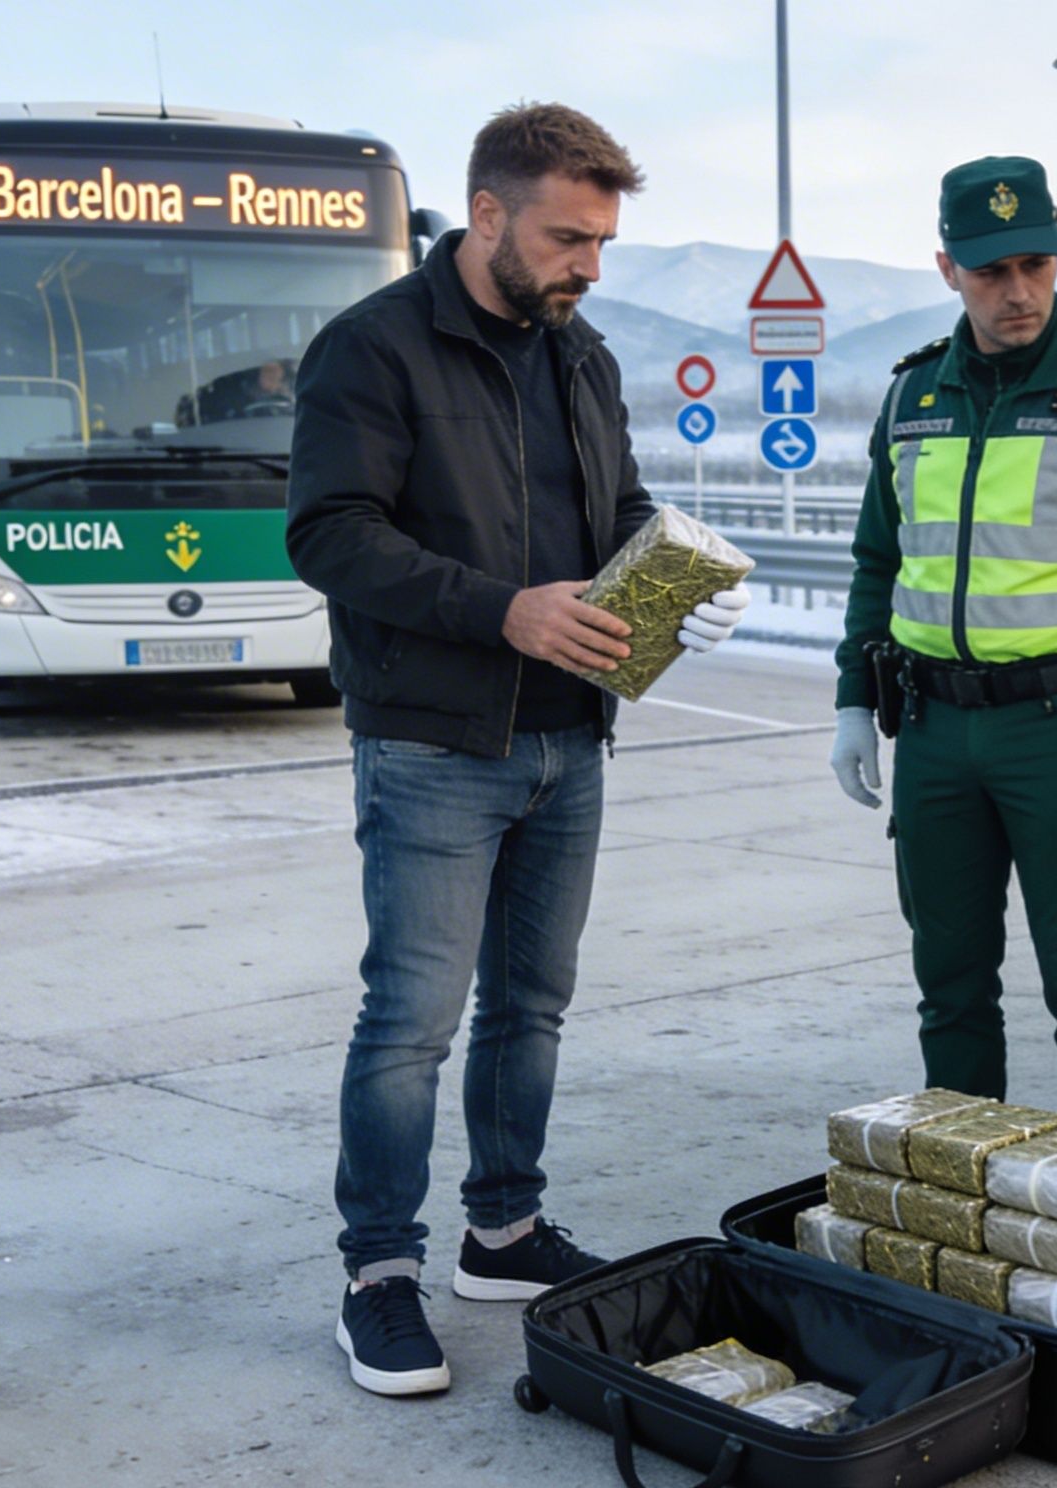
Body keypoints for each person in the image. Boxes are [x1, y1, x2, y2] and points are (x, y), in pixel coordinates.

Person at [286, 102, 752, 1399]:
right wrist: (503, 609)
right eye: (567, 238)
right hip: (434, 744)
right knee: (411, 1024)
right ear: (485, 214)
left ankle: (502, 1232)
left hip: (569, 740)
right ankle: (379, 1274)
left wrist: (680, 569)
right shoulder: (371, 352)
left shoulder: (579, 356)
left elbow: (618, 509)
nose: (587, 266)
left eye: (600, 242)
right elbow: (329, 534)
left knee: (531, 1007)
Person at [830, 156, 1057, 1134]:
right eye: (993, 270)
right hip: (936, 732)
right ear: (948, 266)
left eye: (1036, 263)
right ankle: (970, 1209)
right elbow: (880, 560)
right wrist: (849, 702)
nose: (1019, 289)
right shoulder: (913, 397)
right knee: (949, 985)